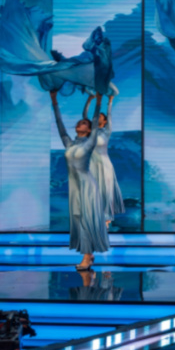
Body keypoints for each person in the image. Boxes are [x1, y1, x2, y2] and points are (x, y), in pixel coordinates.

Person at [52, 90, 109, 270]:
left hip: (88, 187)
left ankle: (85, 257)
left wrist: (98, 102)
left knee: (86, 221)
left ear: (90, 129)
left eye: (84, 123)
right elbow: (59, 124)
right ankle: (89, 254)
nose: (80, 123)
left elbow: (94, 121)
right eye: (79, 122)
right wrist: (54, 101)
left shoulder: (90, 142)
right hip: (74, 187)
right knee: (78, 221)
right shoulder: (69, 143)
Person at [84, 91, 124, 229]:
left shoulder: (107, 131)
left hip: (105, 164)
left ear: (105, 121)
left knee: (106, 190)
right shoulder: (90, 131)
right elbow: (85, 115)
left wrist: (110, 101)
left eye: (101, 116)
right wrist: (89, 100)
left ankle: (106, 218)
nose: (98, 117)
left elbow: (110, 115)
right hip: (91, 163)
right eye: (97, 116)